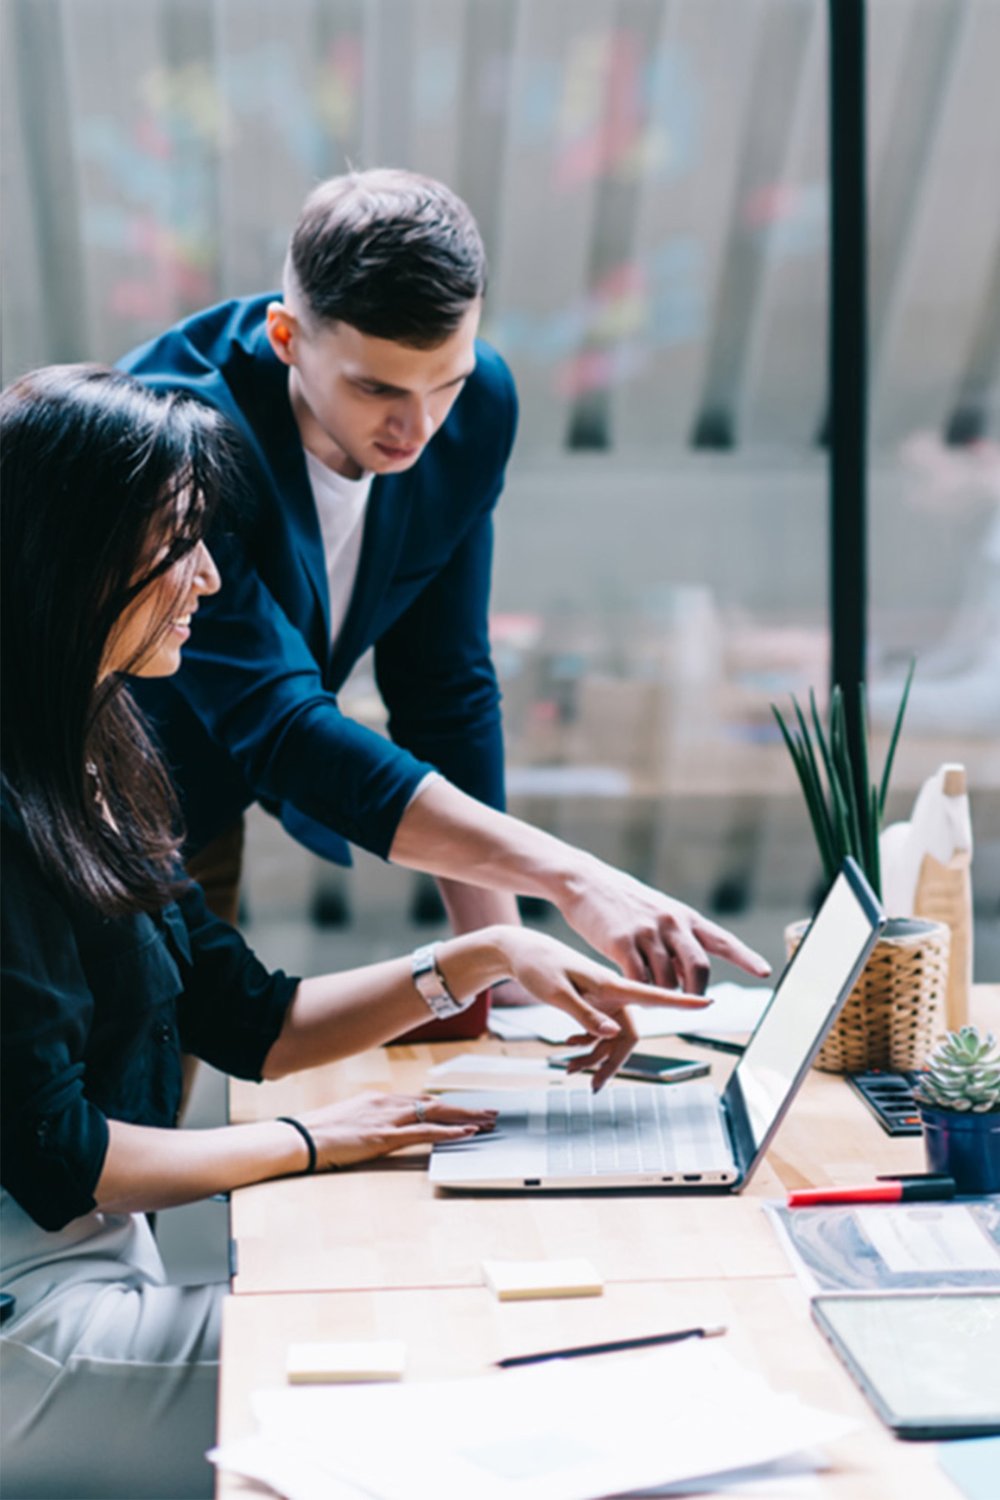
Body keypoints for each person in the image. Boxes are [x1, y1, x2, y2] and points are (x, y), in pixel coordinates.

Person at [0, 366, 711, 1499]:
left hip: (93, 1271)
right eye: (179, 544)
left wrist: (480, 958)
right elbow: (61, 1155)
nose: (211, 578)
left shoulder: (99, 747)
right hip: (30, 1331)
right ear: (73, 557)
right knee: (451, 1371)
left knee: (475, 1318)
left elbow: (250, 1021)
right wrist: (322, 1141)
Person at [118, 167, 770, 1000]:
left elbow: (444, 685)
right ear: (287, 337)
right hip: (81, 810)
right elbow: (278, 722)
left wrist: (504, 965)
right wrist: (572, 878)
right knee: (106, 1113)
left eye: (446, 380)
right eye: (376, 388)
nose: (418, 427)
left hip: (203, 806)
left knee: (173, 1079)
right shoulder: (176, 434)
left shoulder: (479, 405)